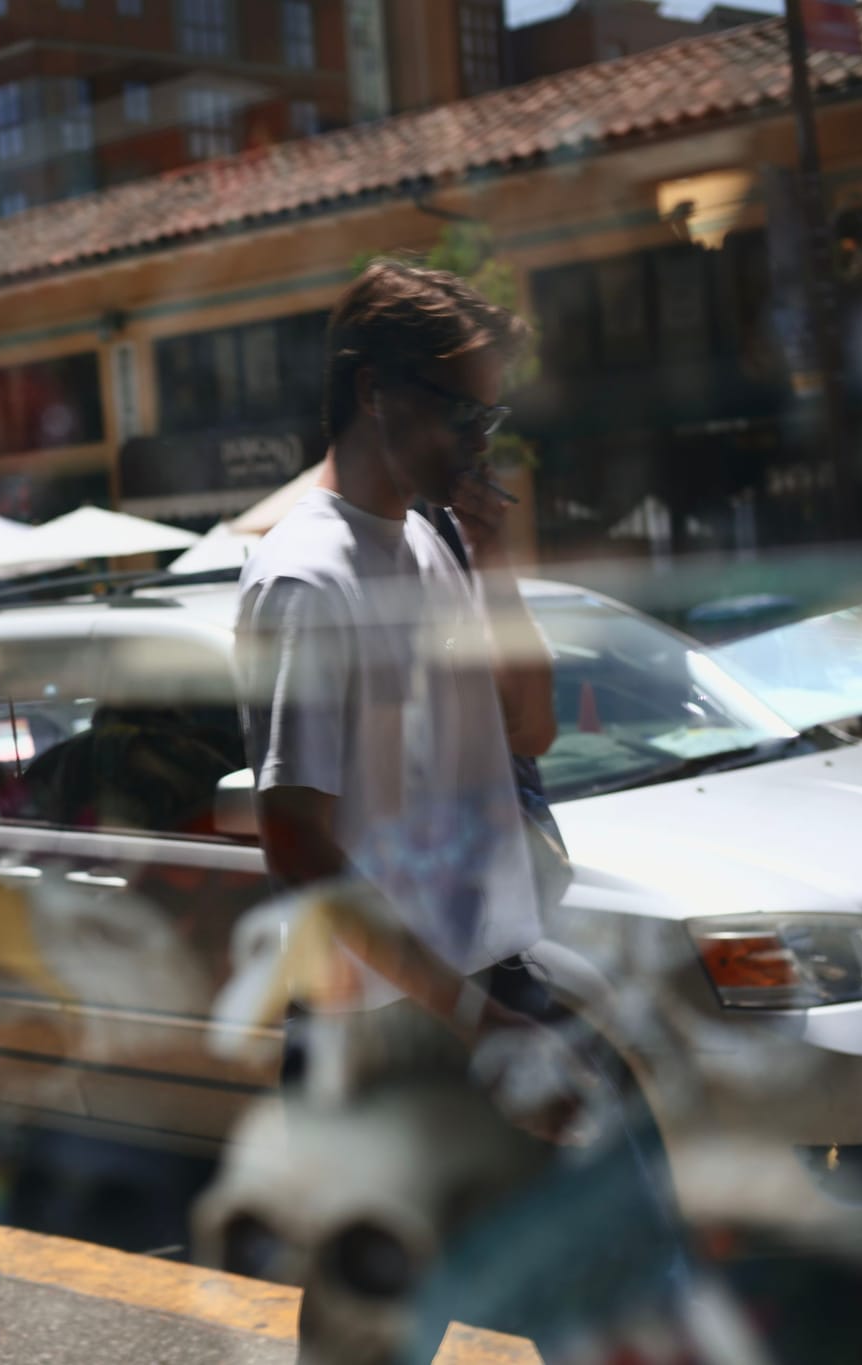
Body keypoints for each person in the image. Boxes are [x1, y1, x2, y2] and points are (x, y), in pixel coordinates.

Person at [236, 256, 558, 1064]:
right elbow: (296, 845)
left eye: (491, 415)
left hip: (483, 985)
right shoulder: (306, 576)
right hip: (383, 1027)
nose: (479, 440)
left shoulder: (433, 537)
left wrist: (496, 564)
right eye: (461, 412)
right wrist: (471, 1020)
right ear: (375, 393)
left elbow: (534, 729)